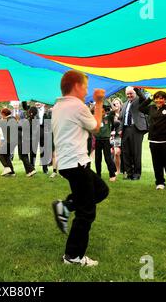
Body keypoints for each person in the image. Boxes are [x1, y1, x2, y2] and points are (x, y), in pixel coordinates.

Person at [51, 70, 109, 267]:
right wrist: (99, 102)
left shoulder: (58, 106)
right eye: (85, 86)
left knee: (101, 190)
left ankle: (66, 206)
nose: (86, 91)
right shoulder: (77, 106)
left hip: (68, 163)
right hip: (76, 163)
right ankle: (73, 256)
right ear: (76, 85)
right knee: (86, 212)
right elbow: (96, 127)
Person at [139, 91, 166, 190]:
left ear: (165, 100)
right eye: (157, 98)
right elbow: (140, 108)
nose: (159, 100)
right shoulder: (151, 108)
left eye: (161, 98)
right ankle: (160, 182)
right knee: (157, 163)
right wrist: (149, 99)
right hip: (154, 140)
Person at [119, 87, 149, 180]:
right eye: (127, 94)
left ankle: (136, 174)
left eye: (131, 93)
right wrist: (120, 129)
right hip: (125, 129)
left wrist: (136, 89)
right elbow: (121, 119)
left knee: (136, 152)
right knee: (126, 153)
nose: (129, 95)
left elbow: (144, 99)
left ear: (135, 93)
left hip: (136, 129)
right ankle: (129, 174)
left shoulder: (139, 100)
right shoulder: (124, 104)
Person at [0, 107, 36, 177]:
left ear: (3, 114)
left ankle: (7, 168)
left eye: (1, 114)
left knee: (0, 152)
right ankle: (13, 172)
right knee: (14, 155)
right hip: (20, 139)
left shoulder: (8, 120)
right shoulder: (13, 119)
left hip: (14, 140)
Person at [93, 104, 117, 181]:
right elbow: (90, 111)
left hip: (106, 140)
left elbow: (114, 110)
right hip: (97, 140)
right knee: (97, 158)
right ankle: (98, 175)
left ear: (105, 111)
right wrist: (95, 104)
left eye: (102, 111)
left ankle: (112, 174)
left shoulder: (108, 117)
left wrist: (109, 101)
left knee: (108, 158)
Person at [110, 98, 123, 174]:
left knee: (117, 152)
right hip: (112, 136)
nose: (115, 105)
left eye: (117, 103)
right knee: (113, 153)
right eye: (114, 104)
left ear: (120, 104)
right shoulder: (111, 115)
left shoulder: (123, 113)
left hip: (120, 135)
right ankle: (116, 169)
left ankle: (119, 170)